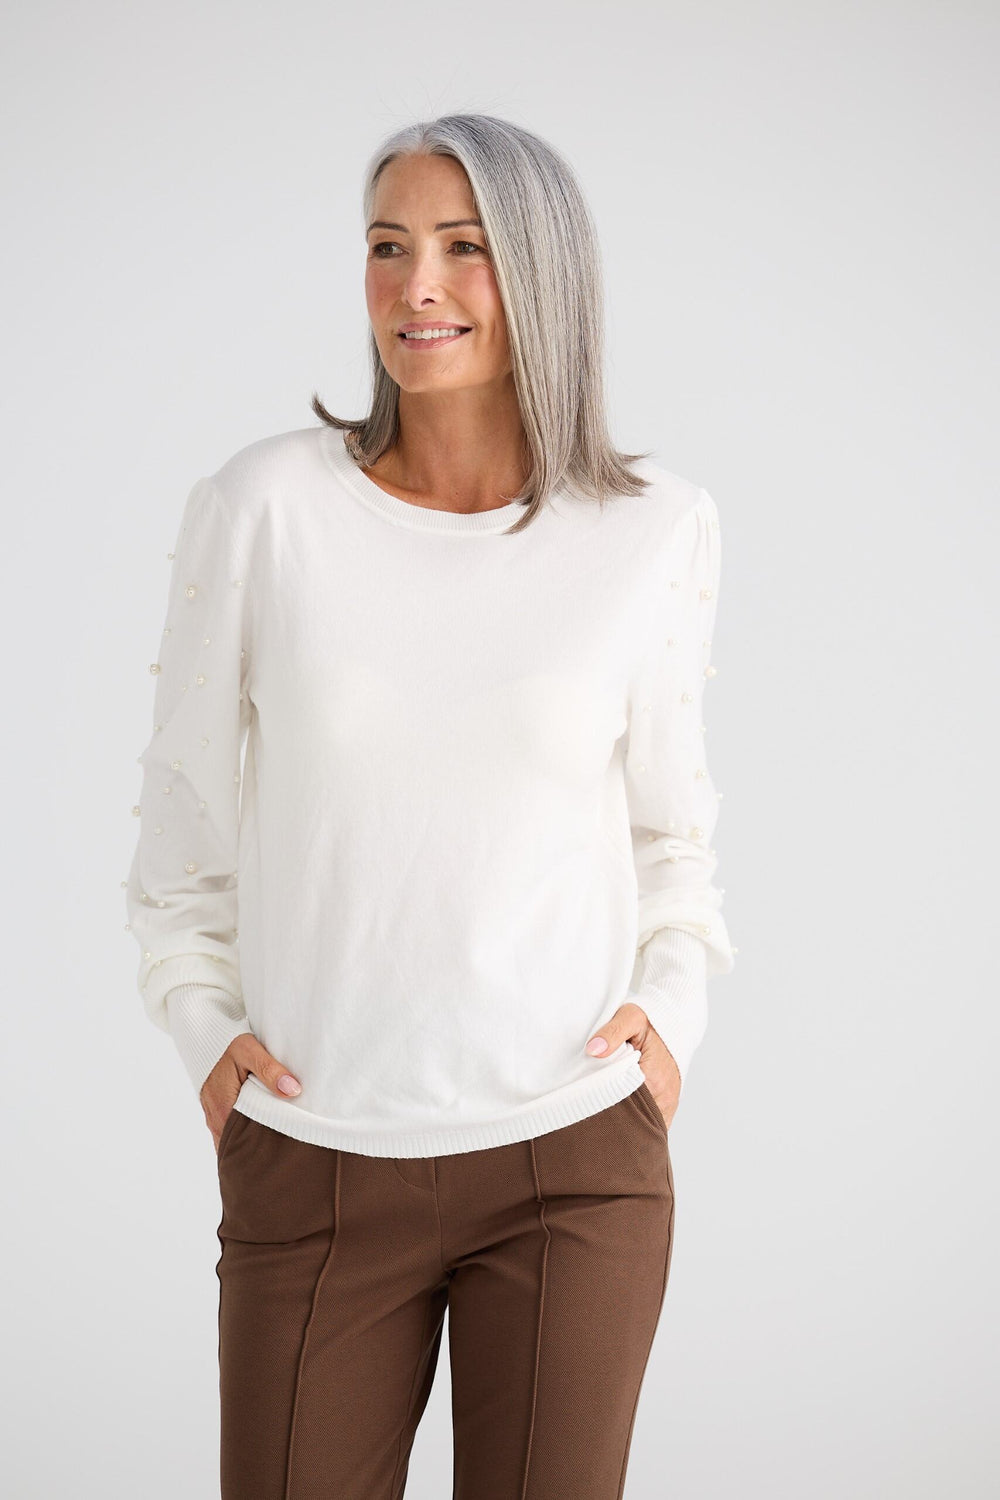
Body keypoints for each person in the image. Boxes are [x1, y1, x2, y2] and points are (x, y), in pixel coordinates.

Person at [125, 112, 736, 1500]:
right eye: (388, 246)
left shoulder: (654, 529)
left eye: (466, 249)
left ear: (544, 274)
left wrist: (669, 1026)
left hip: (576, 1159)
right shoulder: (264, 508)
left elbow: (672, 836)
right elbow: (180, 833)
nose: (419, 287)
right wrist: (206, 1035)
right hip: (315, 1158)